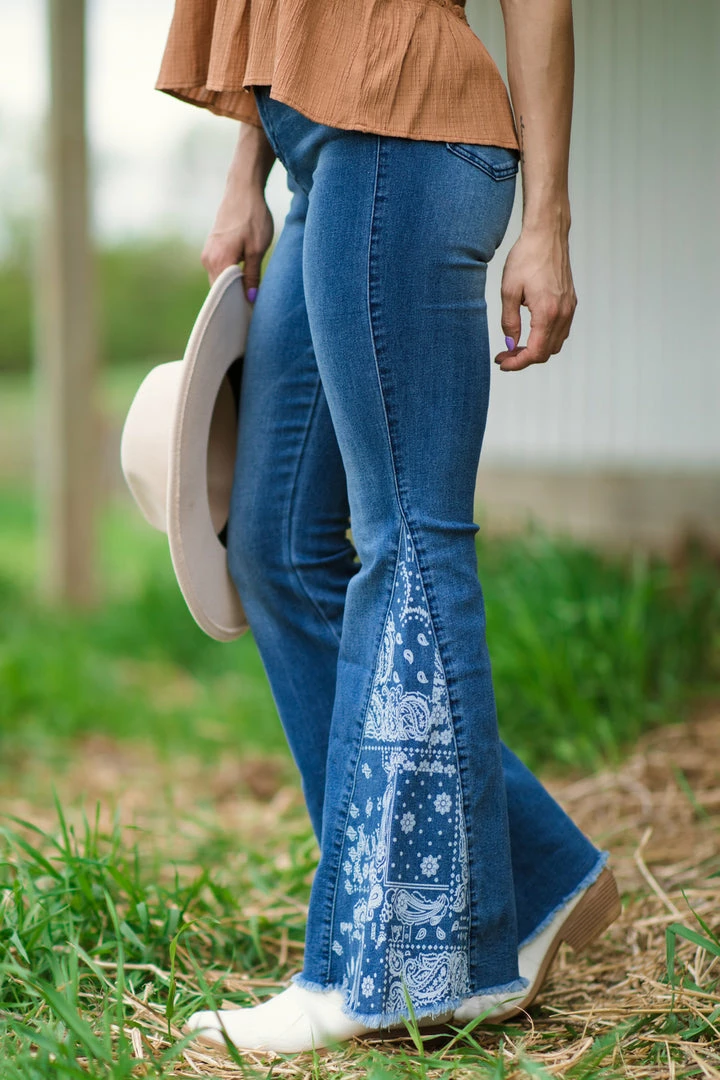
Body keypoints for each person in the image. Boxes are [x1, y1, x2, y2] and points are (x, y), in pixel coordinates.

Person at [155, 0, 621, 1055]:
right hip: (312, 147)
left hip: (404, 129)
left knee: (409, 541)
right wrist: (248, 174)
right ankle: (533, 874)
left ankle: (393, 969)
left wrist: (547, 219)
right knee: (275, 548)